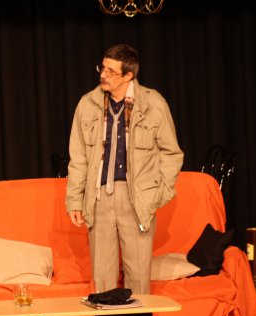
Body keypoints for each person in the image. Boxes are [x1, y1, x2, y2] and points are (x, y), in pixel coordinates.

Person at [65, 44, 183, 295]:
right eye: (102, 68)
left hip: (136, 198)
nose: (103, 75)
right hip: (99, 199)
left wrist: (156, 194)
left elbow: (171, 153)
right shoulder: (87, 104)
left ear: (129, 75)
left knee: (138, 278)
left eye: (111, 71)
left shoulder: (152, 104)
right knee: (103, 279)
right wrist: (74, 199)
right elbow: (78, 158)